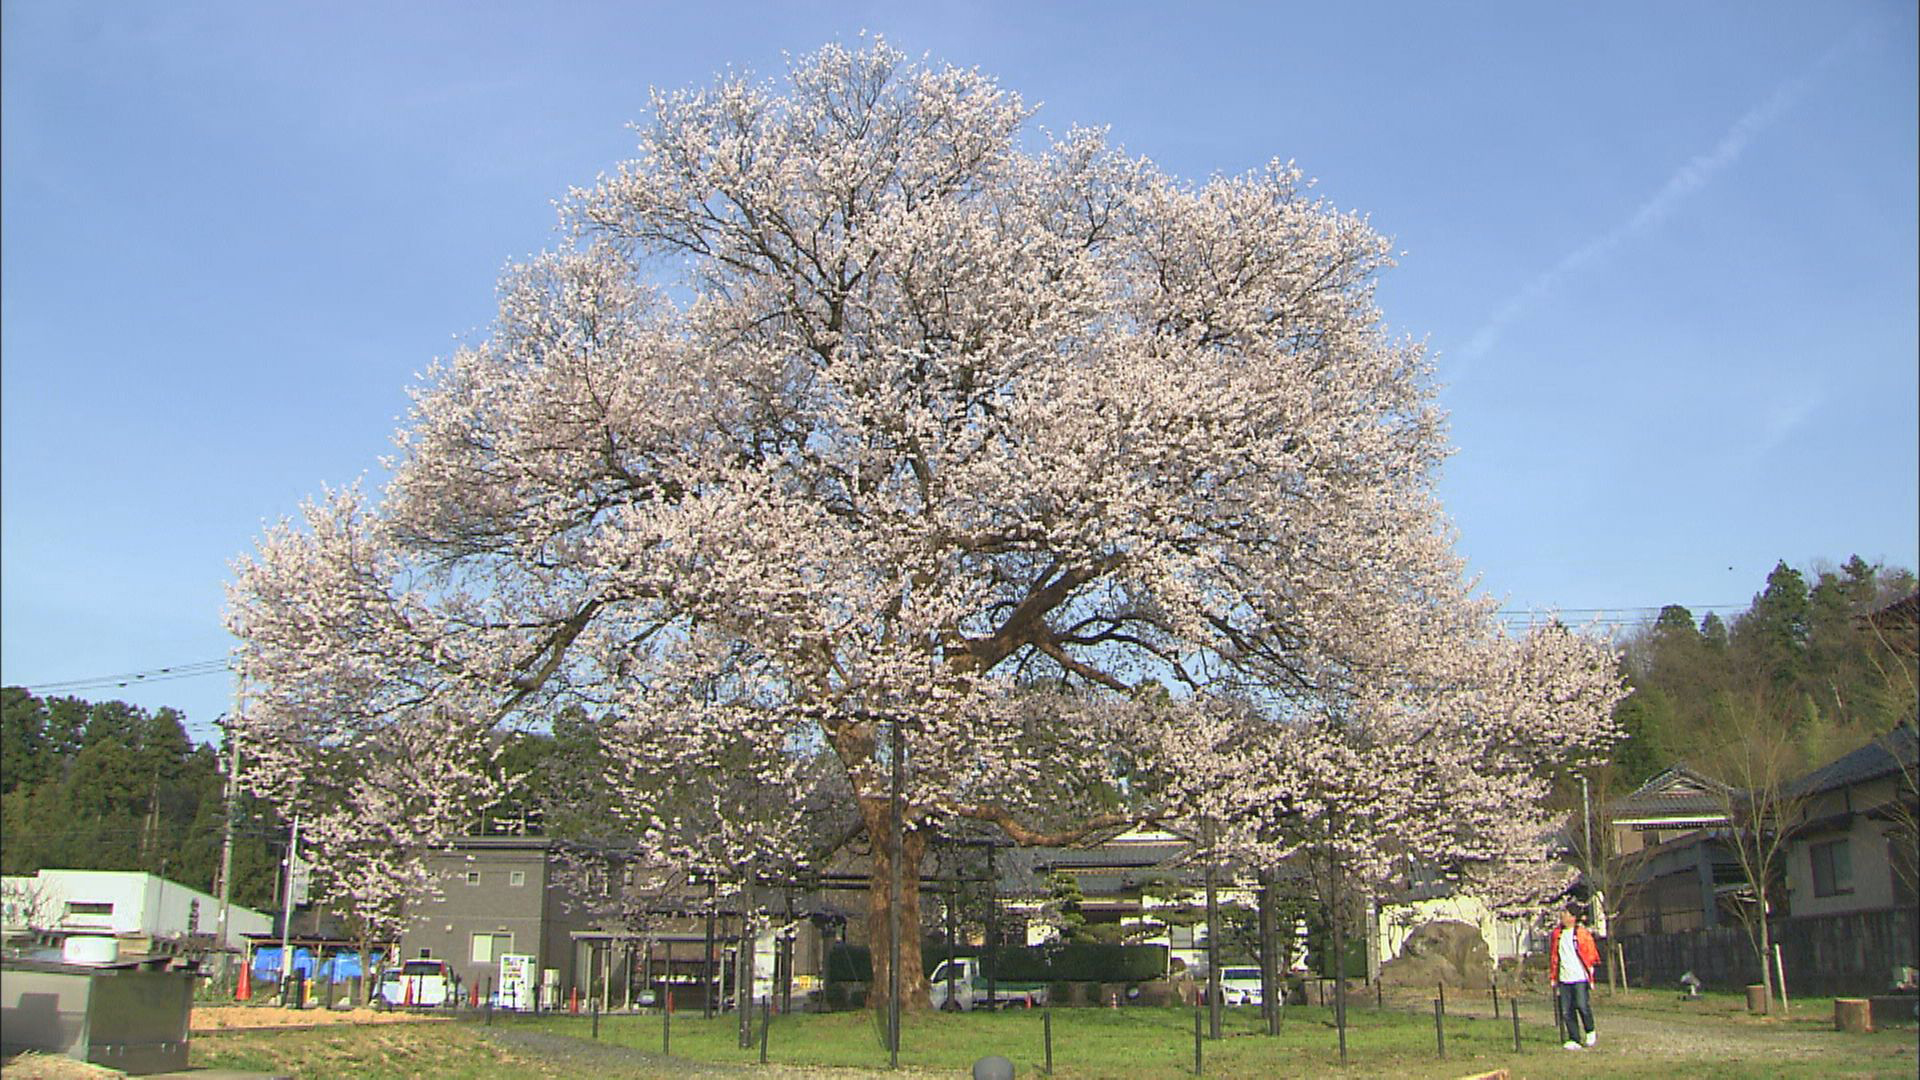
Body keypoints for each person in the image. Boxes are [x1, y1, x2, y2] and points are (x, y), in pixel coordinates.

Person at [1549, 903, 1601, 1049]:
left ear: (1573, 917)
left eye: (1565, 913)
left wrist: (1590, 972)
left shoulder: (1582, 933)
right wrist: (1554, 976)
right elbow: (1554, 956)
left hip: (1579, 977)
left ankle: (1590, 1031)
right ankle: (1574, 1038)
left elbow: (1590, 954)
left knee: (1582, 1005)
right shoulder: (1557, 934)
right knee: (1566, 1010)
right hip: (1564, 978)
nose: (1562, 916)